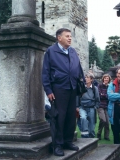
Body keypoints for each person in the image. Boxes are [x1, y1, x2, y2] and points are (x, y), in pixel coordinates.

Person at [42, 28, 84, 156]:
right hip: (58, 89)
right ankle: (58, 145)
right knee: (59, 118)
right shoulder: (51, 51)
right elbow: (45, 72)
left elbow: (78, 68)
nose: (70, 38)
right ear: (59, 38)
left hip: (72, 88)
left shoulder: (72, 51)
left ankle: (67, 141)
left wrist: (81, 81)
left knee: (71, 117)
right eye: (67, 36)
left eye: (70, 36)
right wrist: (48, 90)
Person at [77, 73, 100, 138]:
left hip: (91, 108)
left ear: (91, 79)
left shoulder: (94, 88)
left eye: (87, 77)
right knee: (83, 118)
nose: (85, 78)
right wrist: (77, 107)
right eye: (85, 77)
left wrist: (95, 107)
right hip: (82, 107)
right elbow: (77, 97)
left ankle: (91, 137)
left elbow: (97, 99)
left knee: (91, 124)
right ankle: (84, 136)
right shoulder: (81, 87)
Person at [97, 74, 111, 141]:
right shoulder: (99, 86)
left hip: (107, 106)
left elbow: (111, 96)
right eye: (105, 78)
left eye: (107, 78)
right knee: (103, 119)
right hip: (100, 105)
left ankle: (106, 136)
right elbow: (99, 95)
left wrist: (104, 95)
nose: (106, 79)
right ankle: (99, 133)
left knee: (107, 122)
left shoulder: (110, 86)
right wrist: (106, 96)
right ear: (103, 79)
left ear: (109, 80)